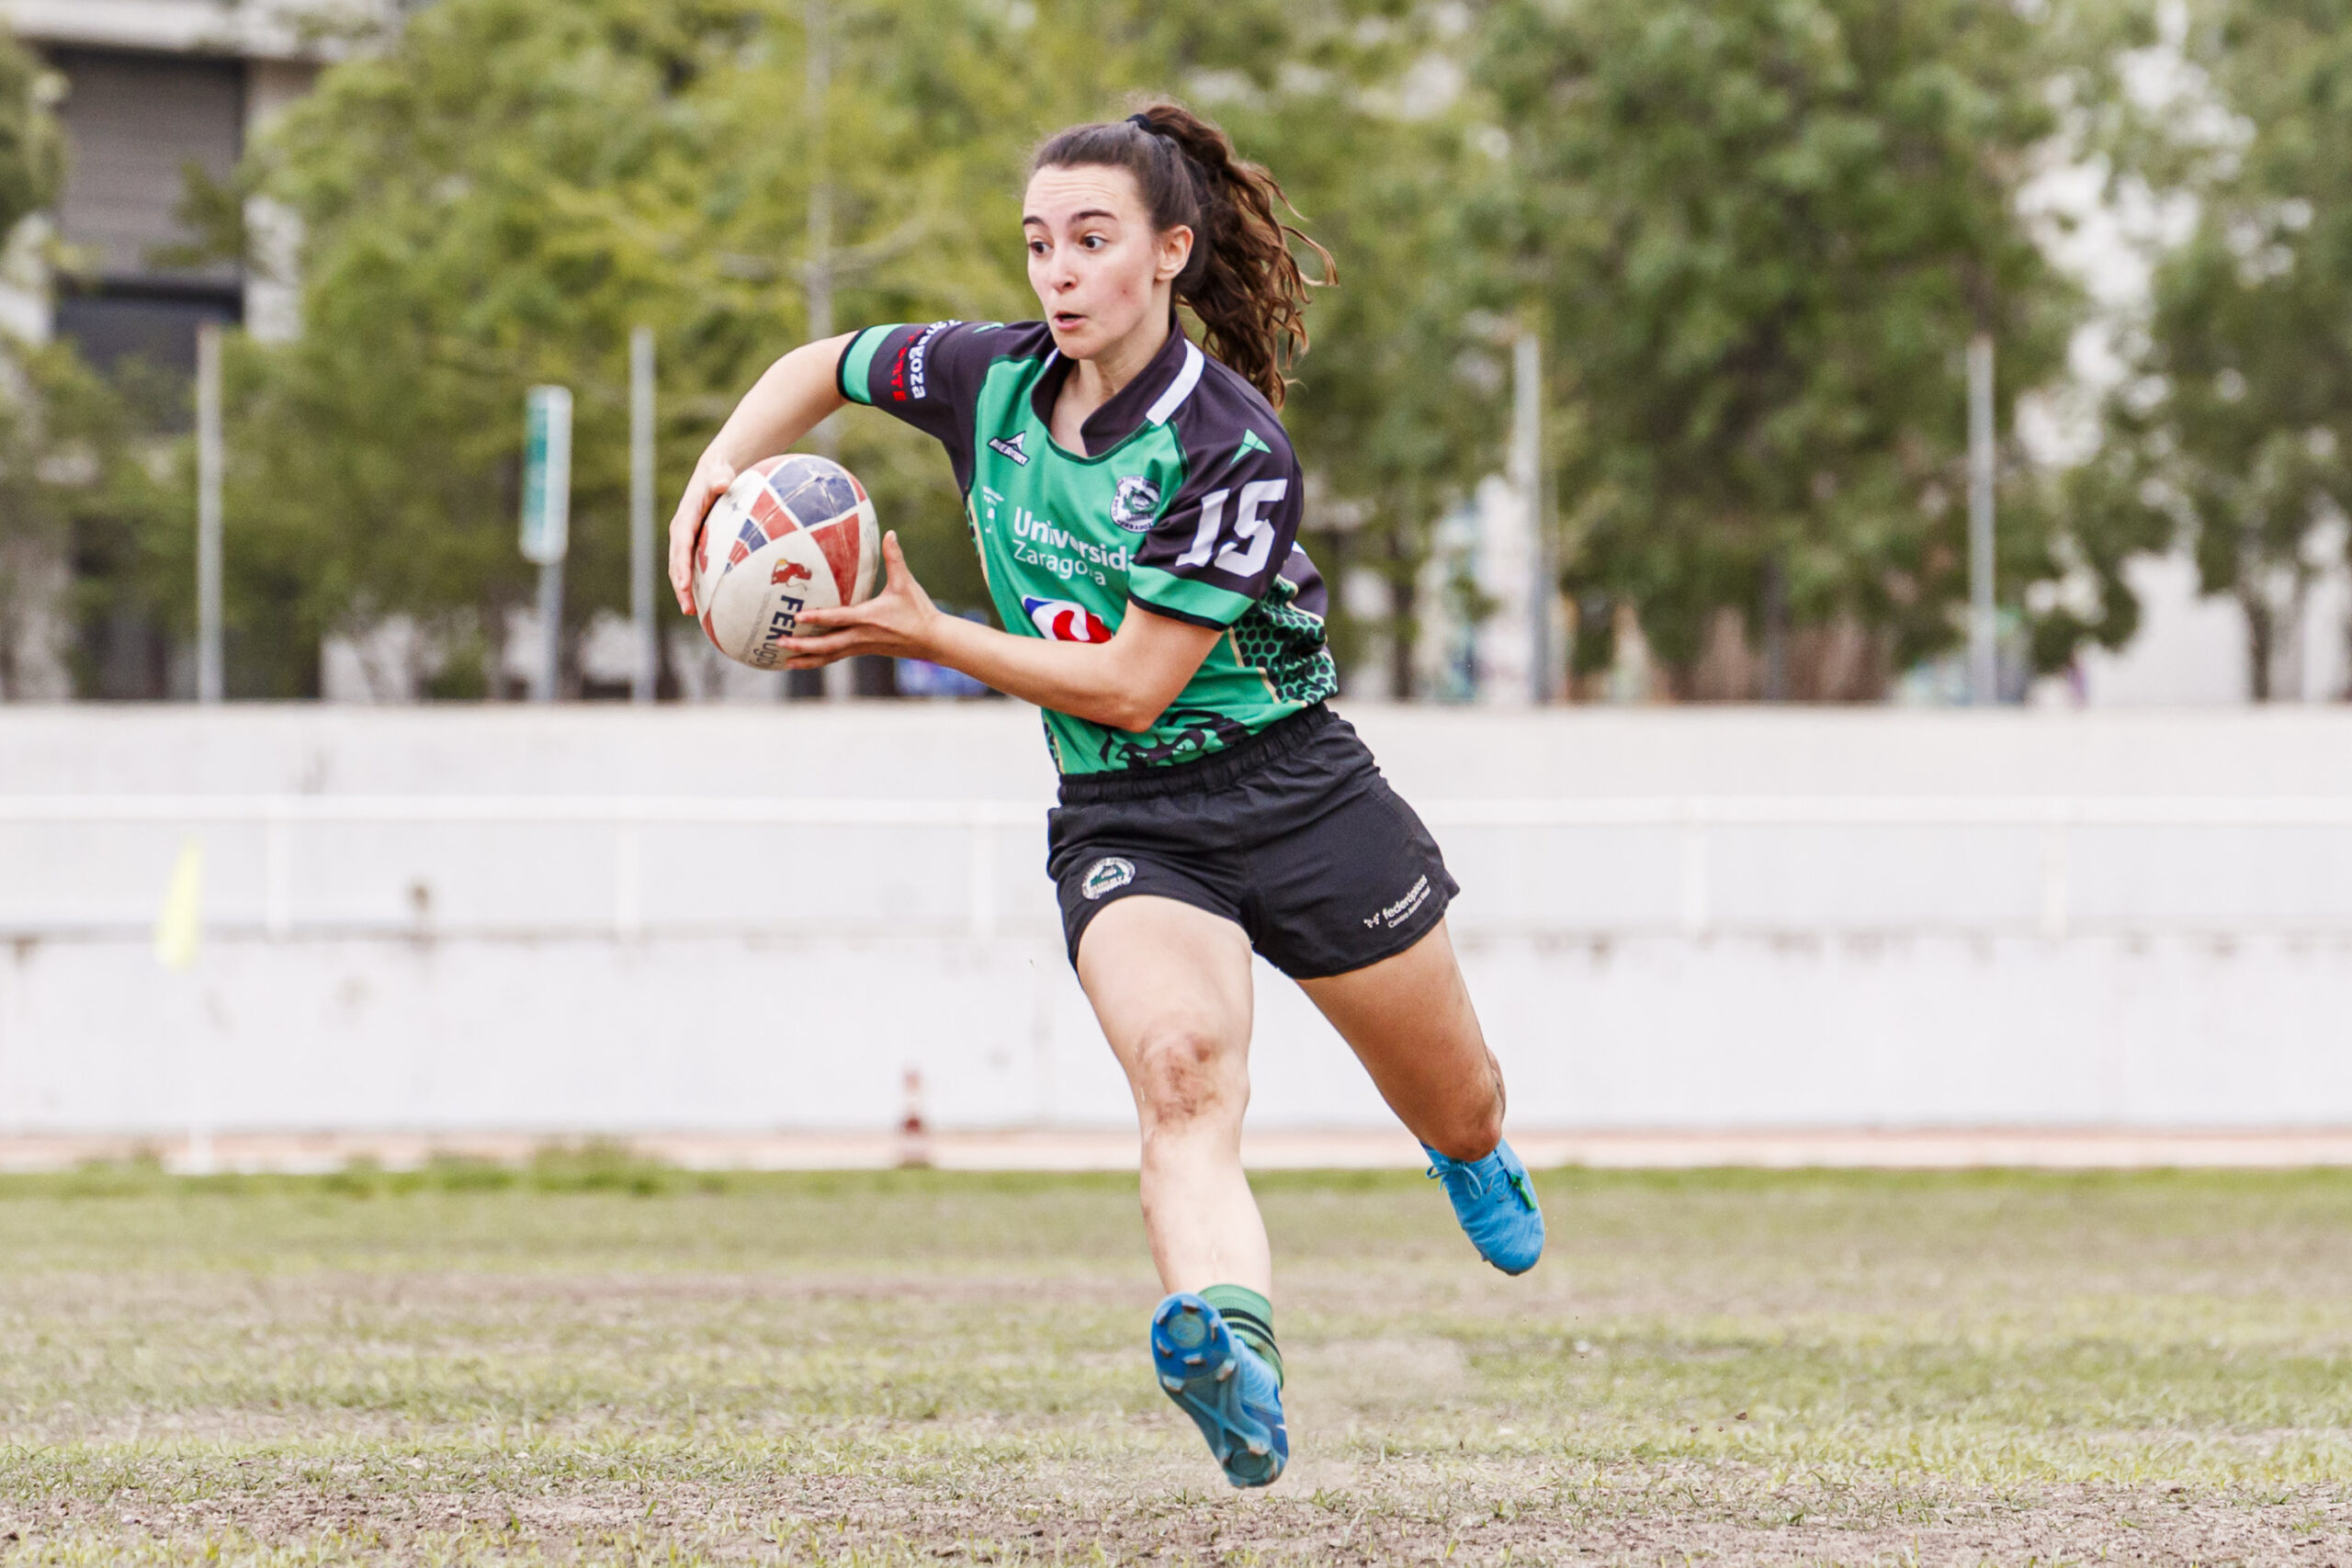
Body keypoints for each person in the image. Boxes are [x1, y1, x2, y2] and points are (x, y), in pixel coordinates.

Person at [667, 102, 1544, 1490]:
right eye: (1038, 245)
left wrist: (930, 635)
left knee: (1463, 1102)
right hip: (1130, 820)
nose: (1057, 274)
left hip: (1301, 794)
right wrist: (713, 478)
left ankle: (1470, 1153)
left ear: (1169, 253)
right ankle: (1234, 1356)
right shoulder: (986, 378)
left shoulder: (1230, 444)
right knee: (1182, 1075)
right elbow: (819, 365)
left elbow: (1136, 682)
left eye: (1090, 241)